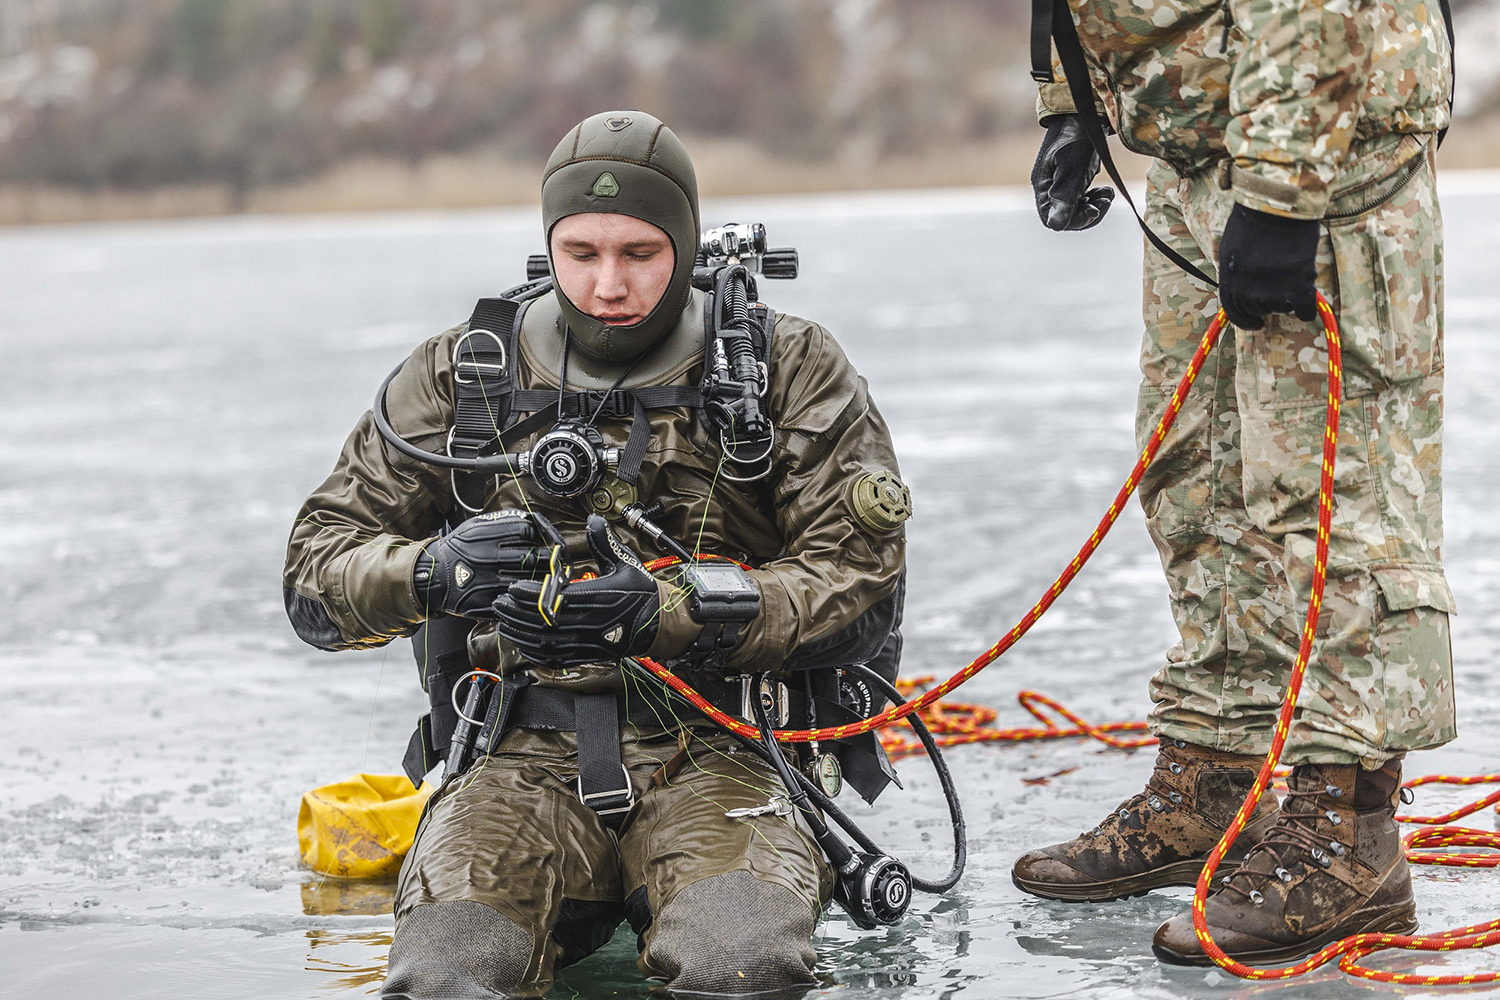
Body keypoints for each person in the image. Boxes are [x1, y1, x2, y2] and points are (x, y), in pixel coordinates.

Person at [282, 110, 911, 998]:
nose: (609, 284)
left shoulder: (783, 366)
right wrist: (436, 570)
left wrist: (673, 613)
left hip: (723, 745)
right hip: (517, 755)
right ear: (549, 245)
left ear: (685, 248)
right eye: (582, 253)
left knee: (745, 965)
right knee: (447, 975)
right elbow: (314, 571)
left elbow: (862, 584)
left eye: (640, 253)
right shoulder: (464, 376)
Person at [1011, 0, 1455, 966]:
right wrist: (1073, 97)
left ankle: (1351, 832)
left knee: (1333, 499)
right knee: (1197, 482)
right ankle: (1216, 778)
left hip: (1324, 162)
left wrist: (1284, 186)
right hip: (1196, 160)